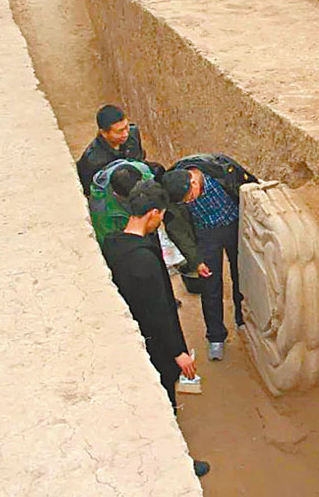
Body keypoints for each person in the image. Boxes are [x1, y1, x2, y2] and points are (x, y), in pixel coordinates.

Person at [100, 180, 209, 477]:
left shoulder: (112, 242)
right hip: (154, 343)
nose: (161, 219)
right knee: (164, 402)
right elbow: (160, 312)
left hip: (134, 335)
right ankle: (177, 464)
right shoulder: (144, 261)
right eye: (160, 214)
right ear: (151, 213)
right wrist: (179, 353)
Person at [158, 154, 257, 361]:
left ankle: (243, 319)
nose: (190, 201)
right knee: (210, 285)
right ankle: (216, 337)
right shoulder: (174, 192)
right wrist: (196, 260)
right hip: (205, 235)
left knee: (242, 274)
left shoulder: (219, 170)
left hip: (235, 226)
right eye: (186, 201)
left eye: (191, 196)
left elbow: (249, 184)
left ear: (193, 180)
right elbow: (178, 231)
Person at [76, 104, 145, 197]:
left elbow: (140, 159)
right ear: (104, 133)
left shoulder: (133, 133)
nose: (125, 134)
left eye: (126, 127)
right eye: (119, 131)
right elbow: (91, 191)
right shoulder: (92, 160)